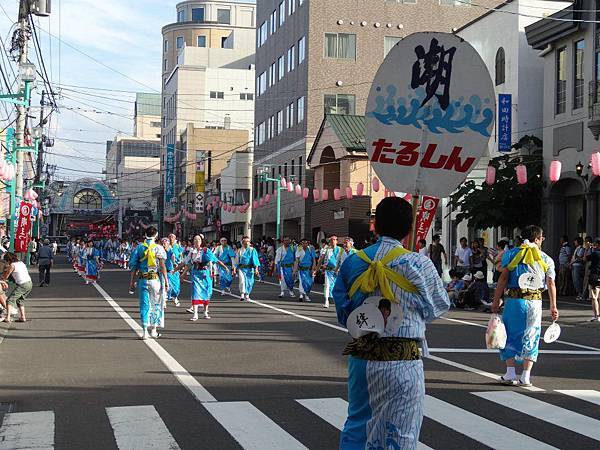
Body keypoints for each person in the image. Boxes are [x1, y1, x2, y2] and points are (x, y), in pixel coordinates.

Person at [333, 197, 450, 449]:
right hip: (403, 358)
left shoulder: (353, 261)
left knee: (357, 422)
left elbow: (344, 313)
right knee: (400, 430)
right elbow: (438, 307)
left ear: (375, 225)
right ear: (410, 228)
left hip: (362, 354)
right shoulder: (418, 263)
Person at [492, 225, 558, 387]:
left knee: (508, 334)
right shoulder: (545, 258)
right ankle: (526, 376)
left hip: (514, 300)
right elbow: (551, 283)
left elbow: (503, 278)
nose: (542, 240)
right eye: (541, 237)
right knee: (532, 335)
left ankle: (510, 373)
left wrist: (495, 300)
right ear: (536, 239)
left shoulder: (511, 254)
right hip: (535, 301)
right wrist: (554, 306)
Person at [129, 228, 169, 339]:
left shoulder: (139, 248)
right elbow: (162, 266)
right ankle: (154, 330)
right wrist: (166, 281)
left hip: (143, 278)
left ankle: (145, 332)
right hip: (155, 278)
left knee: (144, 304)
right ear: (156, 235)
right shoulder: (159, 248)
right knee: (156, 304)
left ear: (145, 235)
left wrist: (132, 283)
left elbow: (133, 267)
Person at [179, 235, 229, 320]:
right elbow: (187, 264)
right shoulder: (192, 252)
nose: (196, 241)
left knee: (206, 292)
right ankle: (195, 314)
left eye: (198, 239)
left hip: (205, 274)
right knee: (195, 292)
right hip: (195, 274)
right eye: (195, 239)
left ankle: (205, 311)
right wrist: (182, 273)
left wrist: (225, 267)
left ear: (201, 241)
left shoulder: (206, 251)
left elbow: (216, 260)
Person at [1, 252, 33, 323]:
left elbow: (6, 276)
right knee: (20, 301)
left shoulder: (12, 265)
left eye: (6, 260)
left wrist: (2, 279)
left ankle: (8, 318)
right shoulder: (21, 263)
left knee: (9, 300)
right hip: (29, 283)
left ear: (8, 260)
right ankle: (23, 317)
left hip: (22, 284)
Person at [316, 235, 342, 308]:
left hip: (337, 271)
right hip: (328, 271)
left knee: (337, 286)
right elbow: (321, 260)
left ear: (337, 241)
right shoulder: (326, 249)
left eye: (334, 240)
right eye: (331, 240)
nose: (332, 241)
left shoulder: (340, 250)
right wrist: (316, 269)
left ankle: (337, 300)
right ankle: (326, 301)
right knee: (327, 285)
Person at [236, 236, 260, 301]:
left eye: (248, 241)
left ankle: (247, 294)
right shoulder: (239, 250)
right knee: (242, 281)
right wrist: (235, 269)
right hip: (241, 268)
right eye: (245, 241)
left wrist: (256, 269)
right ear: (242, 242)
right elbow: (237, 261)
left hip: (249, 269)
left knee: (250, 282)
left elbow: (255, 260)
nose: (246, 243)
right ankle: (242, 294)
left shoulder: (252, 250)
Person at [294, 238, 317, 302]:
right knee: (302, 282)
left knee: (309, 283)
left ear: (308, 243)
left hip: (309, 269)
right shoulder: (299, 249)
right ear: (301, 243)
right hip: (301, 269)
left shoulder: (311, 250)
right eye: (303, 243)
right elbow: (297, 260)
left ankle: (307, 294)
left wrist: (313, 269)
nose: (304, 244)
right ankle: (301, 295)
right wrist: (295, 269)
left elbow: (314, 260)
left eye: (306, 243)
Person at [162, 238, 181, 307]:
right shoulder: (160, 251)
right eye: (163, 243)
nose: (164, 245)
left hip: (172, 271)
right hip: (164, 272)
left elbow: (173, 257)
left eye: (165, 243)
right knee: (165, 286)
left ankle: (175, 298)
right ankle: (164, 301)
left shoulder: (171, 250)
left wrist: (174, 263)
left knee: (175, 287)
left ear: (168, 244)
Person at [586, 239, 600, 322]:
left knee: (594, 297)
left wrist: (588, 249)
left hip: (594, 275)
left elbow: (585, 258)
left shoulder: (595, 253)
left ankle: (596, 316)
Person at [571, 236, 585, 301]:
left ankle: (580, 293)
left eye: (575, 241)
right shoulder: (576, 248)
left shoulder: (581, 249)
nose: (574, 242)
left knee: (577, 280)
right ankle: (578, 293)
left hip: (578, 266)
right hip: (574, 265)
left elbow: (578, 258)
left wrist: (571, 262)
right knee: (574, 280)